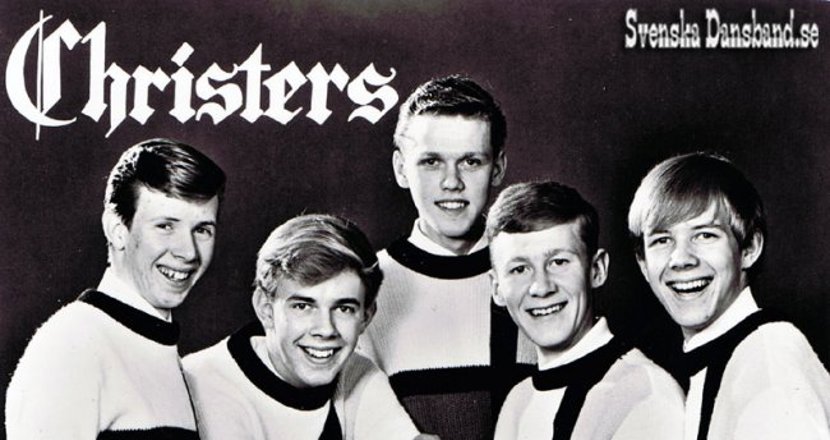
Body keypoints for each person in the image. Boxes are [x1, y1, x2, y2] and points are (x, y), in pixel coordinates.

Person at [5, 138, 226, 439]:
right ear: (117, 230)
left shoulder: (159, 351)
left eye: (202, 230)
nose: (188, 252)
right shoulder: (71, 346)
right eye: (165, 226)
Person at [359, 75, 536, 439]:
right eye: (431, 162)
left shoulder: (538, 280)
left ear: (498, 168)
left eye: (471, 161)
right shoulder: (363, 288)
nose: (451, 182)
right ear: (401, 168)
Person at [628, 152, 830, 439]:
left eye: (705, 235)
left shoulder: (768, 363)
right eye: (662, 240)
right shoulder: (724, 356)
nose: (680, 259)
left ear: (749, 249)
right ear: (643, 264)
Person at [183, 214, 435, 440]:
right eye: (303, 306)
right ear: (265, 308)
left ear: (366, 316)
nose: (325, 329)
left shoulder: (357, 373)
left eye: (344, 308)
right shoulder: (201, 380)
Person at [487, 180, 684, 439]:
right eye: (519, 269)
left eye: (558, 262)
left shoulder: (646, 392)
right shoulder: (518, 402)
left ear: (597, 270)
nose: (541, 287)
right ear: (497, 288)